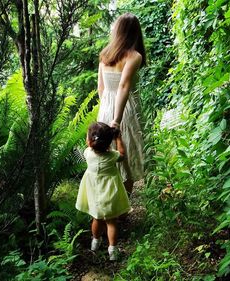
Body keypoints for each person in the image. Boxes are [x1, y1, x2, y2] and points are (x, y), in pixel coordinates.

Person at [97, 13, 146, 195]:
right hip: (125, 109)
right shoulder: (134, 56)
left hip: (106, 108)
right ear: (135, 33)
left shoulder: (105, 55)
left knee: (108, 155)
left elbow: (100, 88)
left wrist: (107, 111)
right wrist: (117, 119)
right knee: (126, 156)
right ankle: (123, 209)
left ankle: (110, 204)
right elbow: (124, 85)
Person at [75, 122, 131, 261]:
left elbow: (93, 146)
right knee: (111, 222)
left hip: (94, 194)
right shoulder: (112, 156)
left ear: (89, 141)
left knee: (97, 218)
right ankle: (112, 250)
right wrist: (118, 138)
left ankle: (95, 243)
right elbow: (122, 155)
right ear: (109, 142)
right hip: (109, 194)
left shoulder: (87, 153)